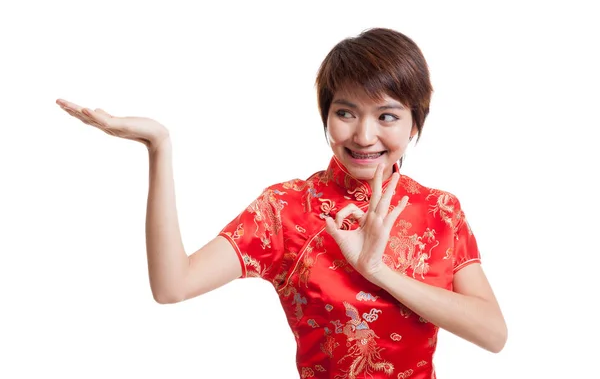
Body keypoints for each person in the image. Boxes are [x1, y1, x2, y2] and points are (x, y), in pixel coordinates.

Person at [57, 28, 507, 378]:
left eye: (386, 116)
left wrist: (378, 271)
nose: (364, 136)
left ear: (414, 125)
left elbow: (493, 333)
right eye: (345, 112)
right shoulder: (287, 209)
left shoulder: (439, 210)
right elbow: (173, 285)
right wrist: (159, 148)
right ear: (326, 117)